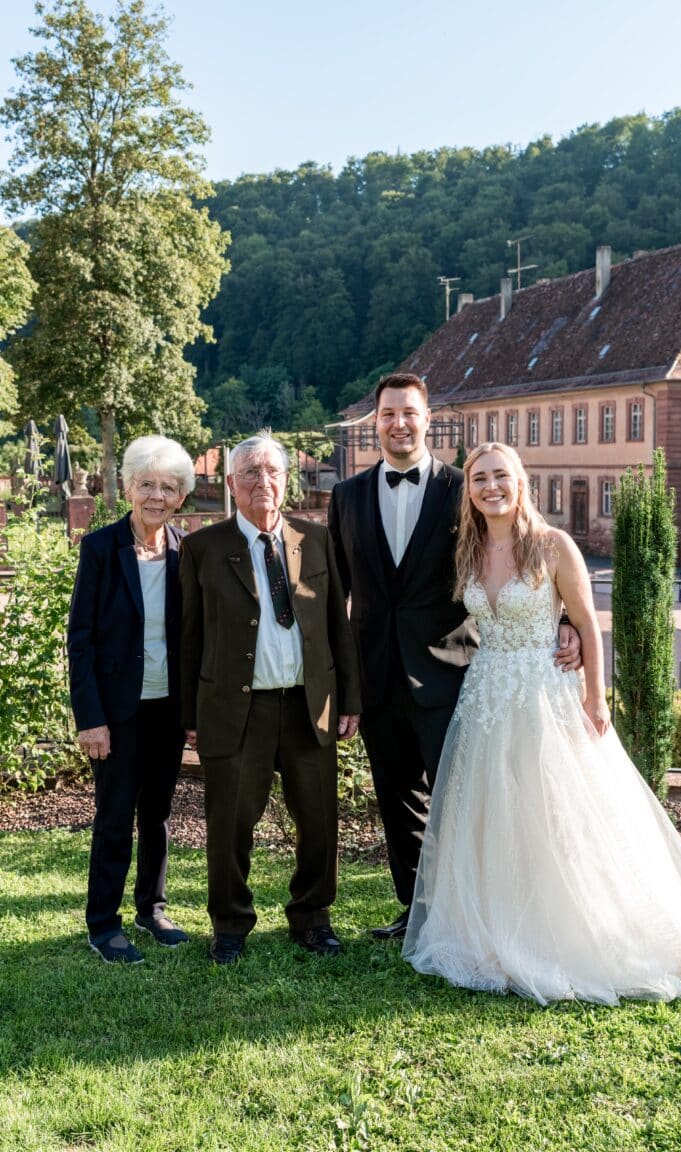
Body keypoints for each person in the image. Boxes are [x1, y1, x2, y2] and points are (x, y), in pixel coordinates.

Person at [402, 442, 681, 1003]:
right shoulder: (467, 550)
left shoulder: (553, 545)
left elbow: (586, 623)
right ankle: (495, 927)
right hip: (486, 696)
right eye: (479, 478)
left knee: (555, 812)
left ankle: (568, 933)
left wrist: (596, 699)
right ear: (468, 490)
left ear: (520, 482)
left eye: (501, 476)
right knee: (494, 814)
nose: (491, 487)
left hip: (544, 693)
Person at [328, 374, 580, 939]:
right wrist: (344, 685)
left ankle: (482, 911)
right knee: (399, 802)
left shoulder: (461, 488)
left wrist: (565, 620)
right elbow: (337, 596)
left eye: (409, 413)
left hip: (453, 677)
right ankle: (417, 912)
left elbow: (517, 551)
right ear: (376, 422)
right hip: (376, 678)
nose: (399, 423)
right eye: (388, 414)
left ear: (427, 417)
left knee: (467, 802)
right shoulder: (345, 498)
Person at [180, 433, 361, 963]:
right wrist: (189, 716)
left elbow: (337, 626)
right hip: (238, 709)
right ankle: (231, 926)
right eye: (251, 473)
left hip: (310, 705)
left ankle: (312, 918)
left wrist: (348, 698)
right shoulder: (202, 549)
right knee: (231, 822)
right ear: (231, 484)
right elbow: (190, 636)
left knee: (319, 818)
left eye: (272, 472)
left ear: (287, 481)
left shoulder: (316, 539)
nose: (263, 481)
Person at [68, 435, 196, 964]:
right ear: (127, 488)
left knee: (159, 813)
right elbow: (81, 639)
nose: (156, 496)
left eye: (168, 488)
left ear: (181, 498)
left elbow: (194, 637)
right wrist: (90, 719)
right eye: (147, 484)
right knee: (115, 816)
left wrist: (192, 715)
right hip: (116, 712)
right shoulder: (100, 549)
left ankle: (152, 908)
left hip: (166, 707)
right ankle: (103, 924)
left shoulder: (186, 549)